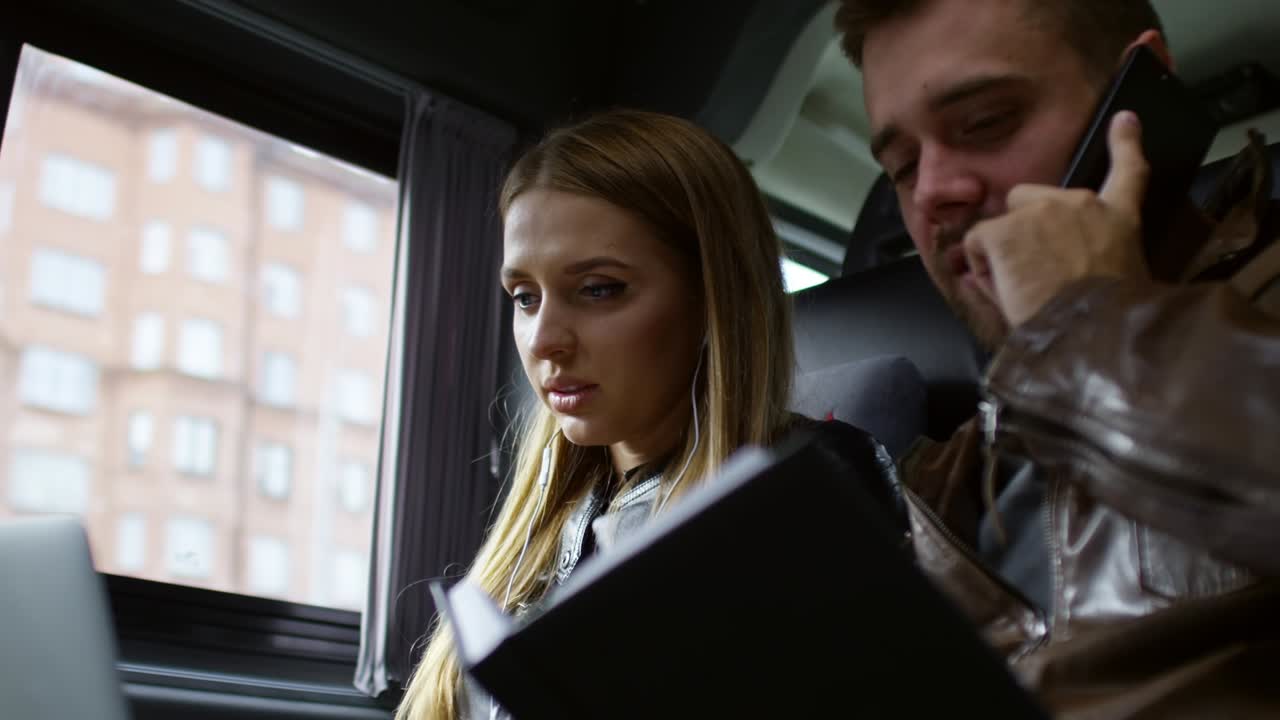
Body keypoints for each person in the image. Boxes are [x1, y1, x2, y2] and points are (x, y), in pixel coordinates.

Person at [835, 0, 1280, 715]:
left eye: (986, 122)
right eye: (902, 165)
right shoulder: (945, 467)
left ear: (1142, 88)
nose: (933, 194)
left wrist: (1083, 321)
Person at [394, 109, 896, 720]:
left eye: (600, 288)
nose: (544, 338)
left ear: (714, 298)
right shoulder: (547, 519)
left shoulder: (811, 488)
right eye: (525, 297)